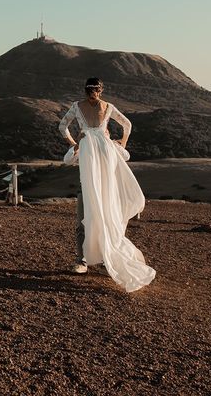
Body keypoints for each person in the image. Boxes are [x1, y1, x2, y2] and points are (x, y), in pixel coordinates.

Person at [58, 78, 156, 292]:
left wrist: (75, 143)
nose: (93, 93)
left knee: (97, 210)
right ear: (100, 90)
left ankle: (95, 259)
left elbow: (62, 126)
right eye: (94, 90)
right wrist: (121, 142)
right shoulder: (104, 107)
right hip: (99, 153)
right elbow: (127, 125)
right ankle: (85, 259)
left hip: (95, 155)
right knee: (92, 210)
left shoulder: (80, 106)